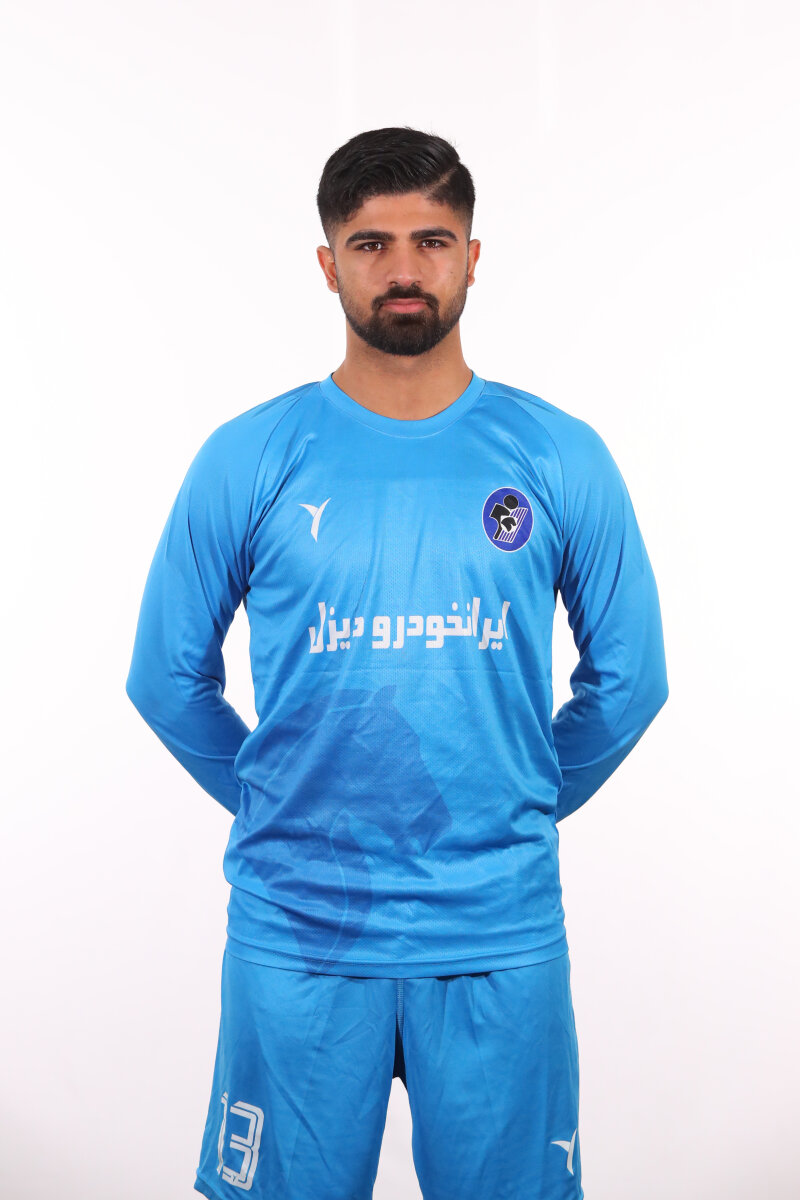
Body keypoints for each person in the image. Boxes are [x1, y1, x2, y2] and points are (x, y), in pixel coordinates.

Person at [125, 125, 668, 1200]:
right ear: (328, 265)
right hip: (300, 930)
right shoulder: (251, 455)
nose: (404, 269)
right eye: (371, 244)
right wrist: (277, 798)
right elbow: (166, 677)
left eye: (432, 240)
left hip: (497, 928)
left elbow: (630, 678)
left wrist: (516, 797)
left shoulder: (556, 454)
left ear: (473, 256)